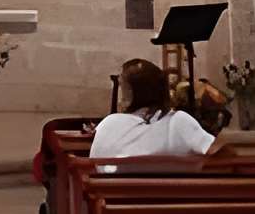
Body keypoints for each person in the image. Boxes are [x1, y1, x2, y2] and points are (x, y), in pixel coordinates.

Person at [87, 60, 219, 170]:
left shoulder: (110, 124)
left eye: (123, 87)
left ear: (131, 93)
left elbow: (96, 167)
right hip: (176, 198)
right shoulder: (180, 122)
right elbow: (221, 156)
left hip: (114, 198)